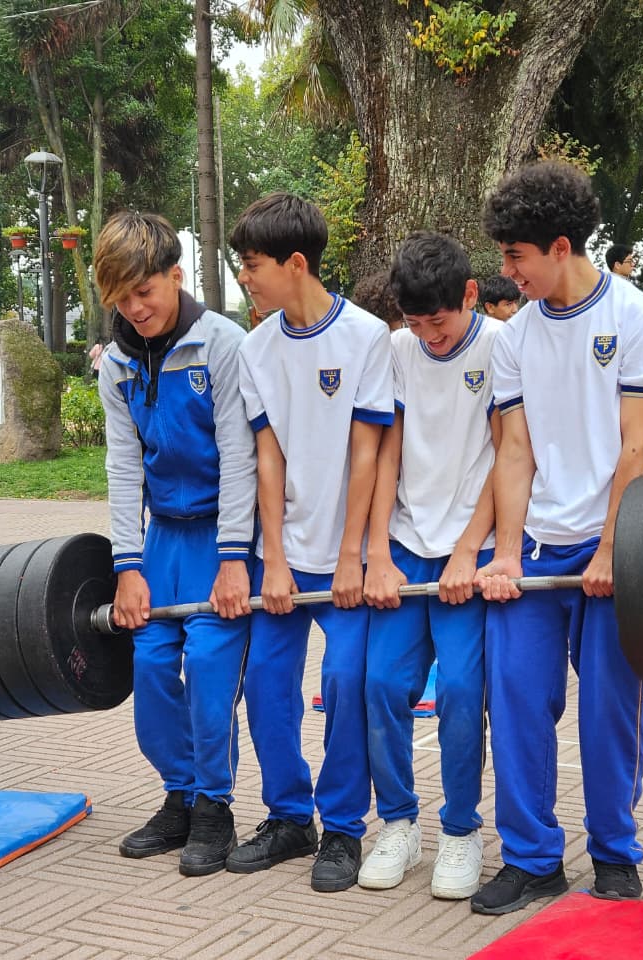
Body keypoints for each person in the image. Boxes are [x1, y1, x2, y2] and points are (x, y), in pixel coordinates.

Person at [472, 161, 643, 915]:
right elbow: (515, 452)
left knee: (608, 709)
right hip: (538, 548)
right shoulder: (514, 337)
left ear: (560, 247)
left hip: (624, 538)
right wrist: (501, 553)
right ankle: (531, 859)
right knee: (518, 697)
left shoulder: (639, 318)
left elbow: (635, 446)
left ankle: (615, 854)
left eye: (515, 256)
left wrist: (611, 549)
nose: (505, 271)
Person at [226, 192, 393, 892]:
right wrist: (276, 558)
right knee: (265, 684)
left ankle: (345, 828)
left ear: (297, 263)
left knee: (345, 682)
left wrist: (352, 554)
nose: (245, 279)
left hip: (346, 558)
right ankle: (291, 817)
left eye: (254, 266)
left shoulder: (365, 337)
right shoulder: (256, 348)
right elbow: (268, 457)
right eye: (240, 266)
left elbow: (367, 455)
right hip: (284, 560)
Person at [92, 210, 256, 876]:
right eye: (121, 298)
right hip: (162, 540)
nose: (135, 309)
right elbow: (123, 466)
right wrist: (126, 567)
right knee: (153, 667)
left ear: (175, 276)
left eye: (145, 292)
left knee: (212, 673)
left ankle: (215, 806)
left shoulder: (223, 344)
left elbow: (241, 456)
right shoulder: (119, 362)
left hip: (222, 533)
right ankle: (180, 796)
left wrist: (235, 559)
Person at [360, 231, 501, 899]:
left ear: (468, 296)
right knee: (379, 685)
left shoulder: (499, 349)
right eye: (415, 323)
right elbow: (386, 454)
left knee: (461, 693)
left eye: (438, 322)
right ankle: (397, 823)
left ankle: (460, 831)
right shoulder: (396, 350)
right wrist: (379, 552)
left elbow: (509, 458)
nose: (428, 336)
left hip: (466, 552)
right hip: (407, 548)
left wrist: (472, 550)